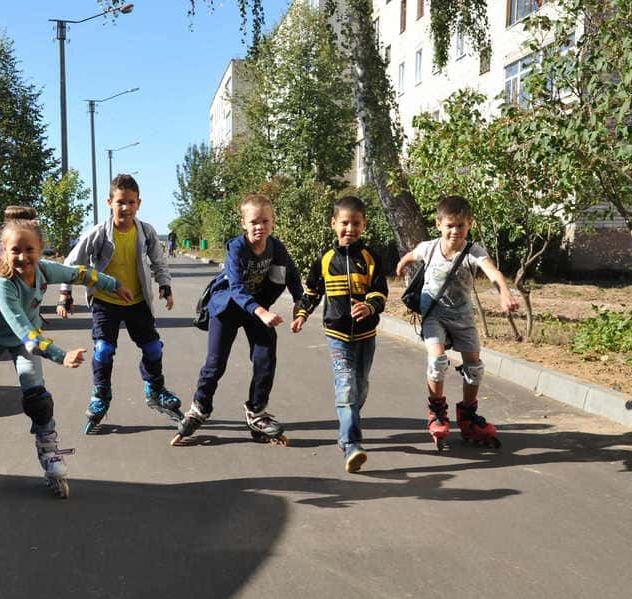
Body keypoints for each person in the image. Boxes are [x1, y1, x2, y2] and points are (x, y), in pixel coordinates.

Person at [0, 206, 131, 498]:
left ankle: (48, 448)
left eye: (29, 249)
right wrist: (61, 355)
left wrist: (115, 284)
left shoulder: (44, 269)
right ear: (4, 252)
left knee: (36, 395)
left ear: (41, 249)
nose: (23, 256)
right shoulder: (2, 284)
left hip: (23, 341)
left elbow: (80, 274)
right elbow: (26, 333)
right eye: (15, 250)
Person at [173, 193, 303, 445]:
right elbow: (236, 288)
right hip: (228, 308)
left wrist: (299, 301)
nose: (260, 227)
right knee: (215, 363)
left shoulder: (276, 247)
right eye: (254, 222)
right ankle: (200, 407)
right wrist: (262, 311)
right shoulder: (237, 247)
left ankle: (256, 411)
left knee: (265, 358)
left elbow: (292, 274)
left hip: (257, 309)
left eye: (265, 221)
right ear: (244, 223)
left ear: (273, 222)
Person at [57, 174, 180, 434]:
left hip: (137, 301)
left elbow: (159, 262)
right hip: (105, 301)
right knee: (103, 349)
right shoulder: (99, 233)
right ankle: (101, 394)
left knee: (153, 348)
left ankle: (155, 388)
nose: (126, 207)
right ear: (109, 202)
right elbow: (71, 263)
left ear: (139, 203)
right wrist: (65, 294)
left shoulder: (146, 232)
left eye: (131, 202)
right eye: (120, 202)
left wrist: (165, 285)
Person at [395, 195, 518, 449]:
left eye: (461, 225)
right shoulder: (429, 247)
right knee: (437, 361)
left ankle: (468, 416)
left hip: (463, 318)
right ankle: (437, 412)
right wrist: (401, 264)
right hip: (434, 316)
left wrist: (505, 293)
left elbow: (493, 272)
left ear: (470, 223)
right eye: (449, 225)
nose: (455, 231)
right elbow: (411, 255)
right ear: (439, 224)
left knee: (475, 368)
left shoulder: (473, 252)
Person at [291, 196, 388, 473]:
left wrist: (369, 306)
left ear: (364, 225)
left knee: (360, 385)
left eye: (356, 223)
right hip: (337, 335)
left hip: (366, 335)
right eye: (344, 223)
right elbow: (312, 291)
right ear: (333, 224)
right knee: (345, 385)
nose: (350, 229)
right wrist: (301, 313)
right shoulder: (325, 259)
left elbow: (380, 292)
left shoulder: (371, 257)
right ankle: (351, 443)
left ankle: (348, 426)